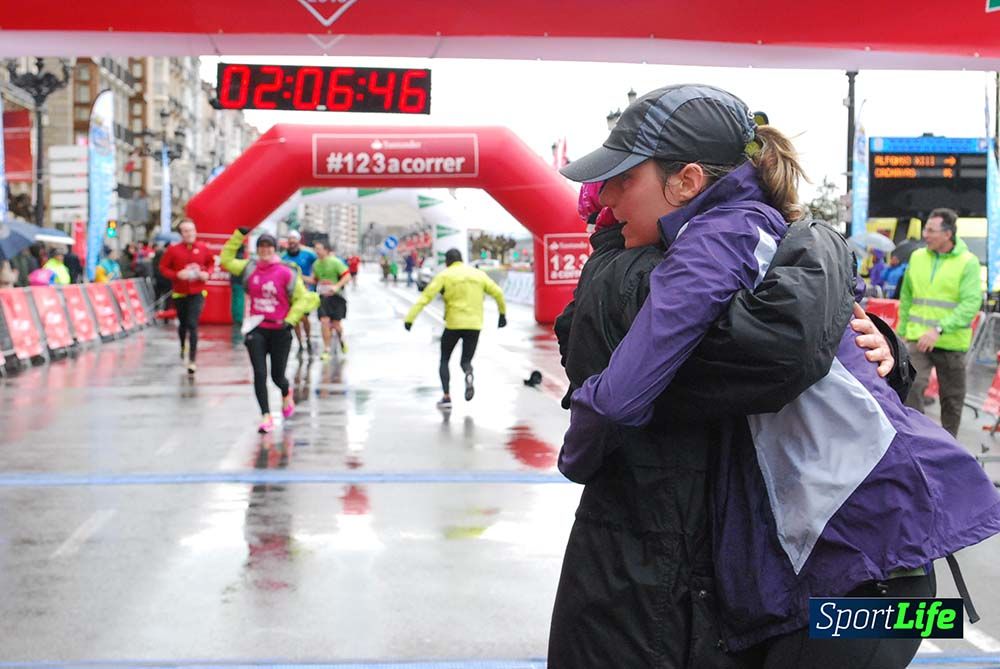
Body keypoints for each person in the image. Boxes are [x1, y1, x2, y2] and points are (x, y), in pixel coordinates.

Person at [557, 84, 1000, 666]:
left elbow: (629, 395)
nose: (608, 195)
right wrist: (870, 328)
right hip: (875, 566)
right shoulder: (774, 238)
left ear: (687, 181)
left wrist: (577, 453)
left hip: (861, 573)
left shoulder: (708, 247)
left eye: (624, 178)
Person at [551, 178, 909, 668]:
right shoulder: (642, 273)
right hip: (833, 567)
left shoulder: (745, 255)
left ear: (687, 184)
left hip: (839, 573)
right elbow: (778, 351)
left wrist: (878, 342)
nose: (610, 201)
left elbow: (791, 361)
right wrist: (827, 267)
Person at [221, 228, 319, 434]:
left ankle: (286, 392)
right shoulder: (250, 268)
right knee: (259, 373)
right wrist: (239, 235)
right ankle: (266, 416)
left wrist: (290, 321)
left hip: (280, 330)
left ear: (274, 249)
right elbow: (226, 260)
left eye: (268, 247)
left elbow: (305, 299)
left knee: (277, 376)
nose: (265, 250)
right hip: (256, 327)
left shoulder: (286, 271)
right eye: (261, 247)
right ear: (257, 250)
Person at [897, 207, 982, 437]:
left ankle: (949, 446)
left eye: (931, 230)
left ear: (948, 234)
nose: (926, 234)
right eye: (926, 228)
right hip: (917, 339)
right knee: (911, 387)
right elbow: (906, 296)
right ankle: (919, 440)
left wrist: (938, 329)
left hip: (951, 342)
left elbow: (971, 303)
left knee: (952, 400)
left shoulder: (968, 262)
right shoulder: (917, 257)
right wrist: (901, 332)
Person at [404, 248, 507, 408]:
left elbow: (425, 297)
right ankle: (468, 373)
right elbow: (498, 293)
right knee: (466, 361)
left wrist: (410, 319)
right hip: (474, 325)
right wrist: (502, 315)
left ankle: (446, 397)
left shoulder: (445, 275)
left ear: (447, 261)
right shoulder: (477, 274)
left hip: (453, 324)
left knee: (444, 359)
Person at [159, 219, 215, 374]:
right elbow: (163, 268)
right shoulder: (173, 250)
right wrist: (177, 274)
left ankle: (192, 360)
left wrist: (206, 274)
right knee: (183, 324)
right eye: (185, 231)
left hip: (197, 292)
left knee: (192, 324)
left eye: (191, 230)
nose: (189, 234)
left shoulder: (203, 248)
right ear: (181, 234)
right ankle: (183, 345)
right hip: (180, 293)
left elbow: (211, 264)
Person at [312, 239, 352, 360]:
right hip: (323, 297)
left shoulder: (335, 262)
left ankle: (342, 340)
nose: (317, 251)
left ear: (326, 250)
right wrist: (299, 276)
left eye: (319, 249)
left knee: (336, 325)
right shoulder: (316, 264)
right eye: (316, 249)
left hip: (337, 298)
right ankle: (326, 349)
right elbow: (315, 280)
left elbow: (347, 275)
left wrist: (336, 286)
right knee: (324, 322)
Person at [282, 230, 318, 355]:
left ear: (298, 241)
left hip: (305, 292)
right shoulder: (283, 257)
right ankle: (300, 343)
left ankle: (307, 338)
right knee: (295, 319)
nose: (292, 243)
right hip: (291, 293)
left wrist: (313, 277)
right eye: (290, 240)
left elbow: (318, 263)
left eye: (294, 240)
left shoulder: (308, 254)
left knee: (304, 318)